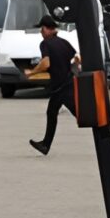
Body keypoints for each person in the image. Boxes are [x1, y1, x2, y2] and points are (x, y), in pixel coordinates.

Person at [27, 17, 78, 155]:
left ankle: (105, 129)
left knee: (80, 114)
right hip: (67, 82)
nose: (41, 32)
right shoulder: (64, 42)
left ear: (45, 29)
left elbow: (46, 63)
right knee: (52, 112)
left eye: (41, 29)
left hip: (60, 87)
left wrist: (32, 72)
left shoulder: (45, 44)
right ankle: (45, 144)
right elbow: (77, 59)